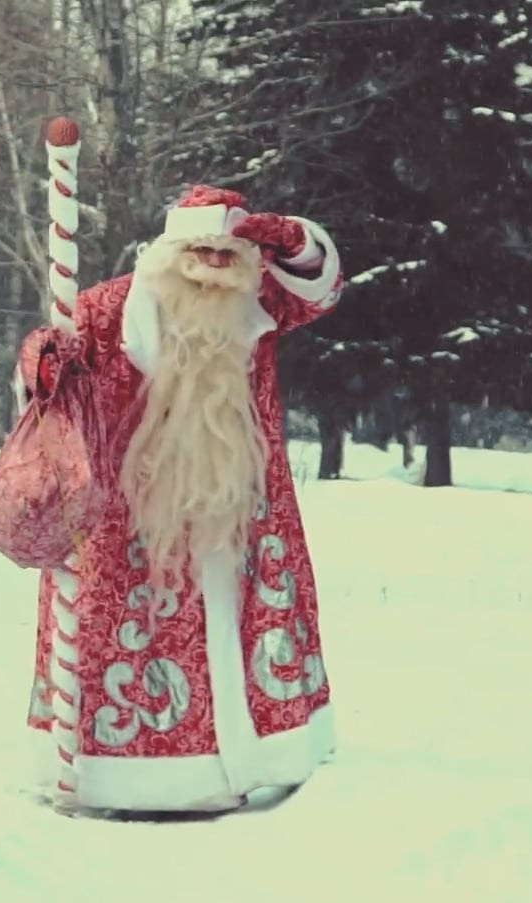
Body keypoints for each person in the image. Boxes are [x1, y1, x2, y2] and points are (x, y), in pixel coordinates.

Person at [19, 184, 344, 816]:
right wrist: (42, 362)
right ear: (168, 253)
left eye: (229, 253)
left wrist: (293, 238)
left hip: (237, 510)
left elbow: (322, 287)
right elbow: (42, 378)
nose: (215, 265)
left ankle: (255, 761)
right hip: (127, 515)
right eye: (200, 250)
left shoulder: (261, 304)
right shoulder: (103, 309)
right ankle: (123, 779)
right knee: (133, 635)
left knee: (237, 627)